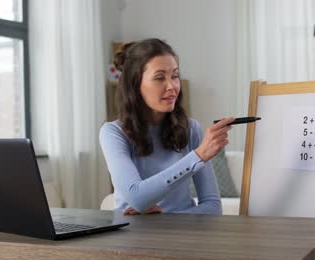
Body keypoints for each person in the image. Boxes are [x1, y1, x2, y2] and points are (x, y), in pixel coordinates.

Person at [99, 38, 234, 215]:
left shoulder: (191, 129)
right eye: (160, 77)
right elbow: (137, 197)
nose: (172, 86)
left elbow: (213, 207)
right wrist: (198, 156)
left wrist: (164, 220)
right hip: (132, 237)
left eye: (175, 76)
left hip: (181, 235)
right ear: (135, 84)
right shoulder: (113, 133)